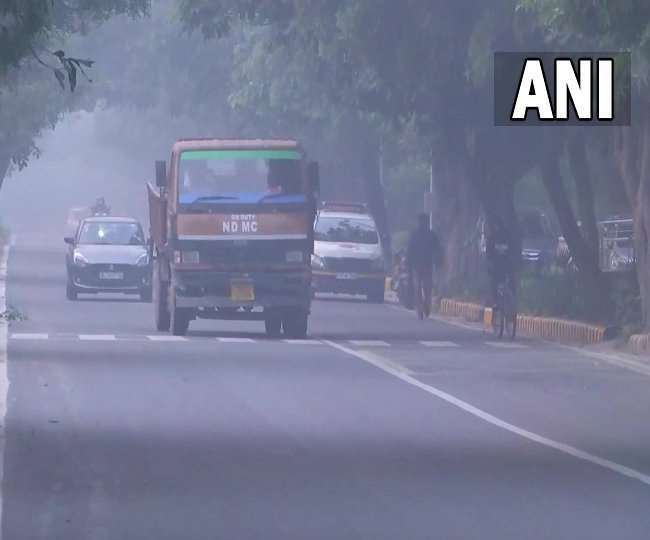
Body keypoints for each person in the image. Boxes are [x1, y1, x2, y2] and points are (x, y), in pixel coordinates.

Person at [407, 213, 442, 319]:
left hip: (425, 266)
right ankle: (421, 307)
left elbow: (437, 249)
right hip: (419, 266)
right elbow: (410, 250)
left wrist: (438, 260)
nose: (422, 224)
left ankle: (425, 305)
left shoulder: (430, 235)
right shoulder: (417, 235)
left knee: (424, 288)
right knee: (420, 288)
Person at [485, 217, 517, 309]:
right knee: (497, 282)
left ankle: (496, 301)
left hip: (500, 266)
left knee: (495, 282)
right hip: (503, 266)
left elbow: (489, 254)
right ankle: (499, 300)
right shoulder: (506, 237)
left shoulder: (494, 238)